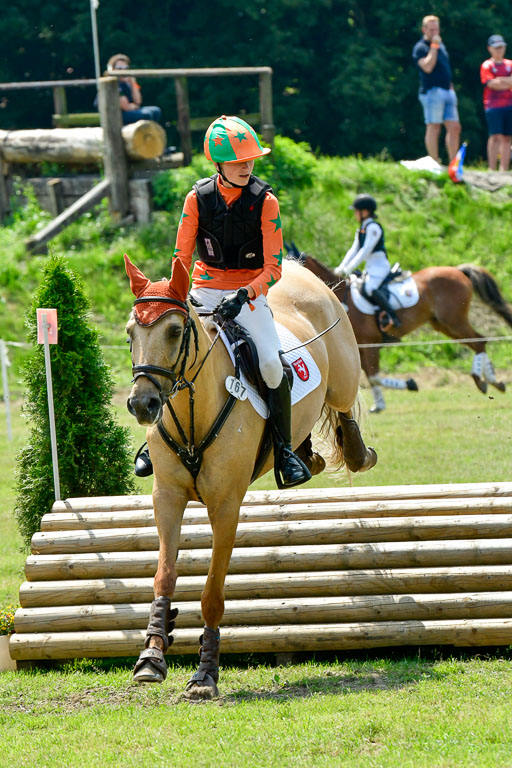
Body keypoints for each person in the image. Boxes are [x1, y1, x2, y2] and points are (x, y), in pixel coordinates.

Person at [171, 115, 310, 488]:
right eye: (238, 161)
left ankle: (285, 452)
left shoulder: (265, 202)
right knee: (166, 350)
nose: (247, 166)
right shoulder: (197, 198)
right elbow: (181, 257)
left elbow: (274, 267)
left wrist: (245, 294)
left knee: (269, 363)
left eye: (250, 160)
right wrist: (177, 293)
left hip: (248, 295)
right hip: (201, 291)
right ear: (219, 164)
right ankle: (156, 443)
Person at [334, 194, 401, 328]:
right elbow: (354, 249)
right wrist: (341, 267)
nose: (355, 214)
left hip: (380, 268)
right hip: (370, 268)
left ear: (364, 212)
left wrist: (350, 268)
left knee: (370, 288)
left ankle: (392, 317)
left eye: (356, 211)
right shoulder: (361, 229)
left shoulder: (373, 228)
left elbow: (366, 250)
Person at [412, 15, 461, 162]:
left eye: (436, 29)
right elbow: (427, 67)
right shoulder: (420, 47)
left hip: (447, 91)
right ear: (424, 29)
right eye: (431, 29)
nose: (435, 32)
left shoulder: (442, 46)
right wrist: (433, 46)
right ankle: (434, 162)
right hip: (432, 92)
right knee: (434, 127)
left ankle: (453, 163)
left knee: (454, 127)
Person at [480, 35, 512, 171]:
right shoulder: (487, 65)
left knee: (507, 138)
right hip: (492, 105)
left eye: (501, 47)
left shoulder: (510, 64)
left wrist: (500, 79)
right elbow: (491, 84)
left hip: (509, 104)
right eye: (496, 47)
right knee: (495, 136)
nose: (499, 50)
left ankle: (504, 169)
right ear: (490, 49)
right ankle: (492, 169)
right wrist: (507, 81)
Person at [106, 53, 162, 125]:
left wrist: (132, 82)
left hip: (128, 111)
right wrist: (134, 106)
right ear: (112, 69)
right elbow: (126, 107)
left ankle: (150, 135)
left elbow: (138, 101)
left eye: (125, 68)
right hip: (114, 116)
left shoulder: (126, 83)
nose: (123, 70)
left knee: (156, 111)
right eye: (119, 68)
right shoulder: (112, 83)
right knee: (147, 115)